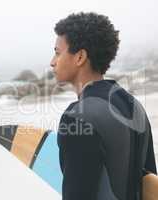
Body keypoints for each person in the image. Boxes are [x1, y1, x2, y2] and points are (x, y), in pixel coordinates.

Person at [50, 12, 157, 200]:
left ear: (80, 57)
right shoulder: (133, 106)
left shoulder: (78, 118)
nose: (52, 62)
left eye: (58, 53)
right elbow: (151, 184)